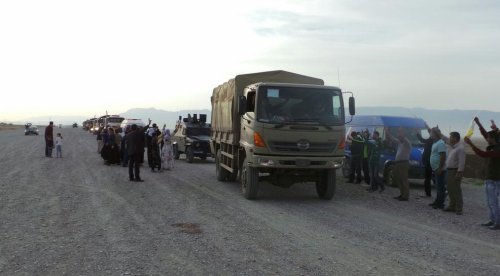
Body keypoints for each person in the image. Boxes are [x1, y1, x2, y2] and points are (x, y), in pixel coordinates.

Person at [464, 117, 500, 230]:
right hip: (490, 178)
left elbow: (483, 154)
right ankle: (492, 220)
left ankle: (497, 223)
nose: (487, 138)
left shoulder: (497, 150)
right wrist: (479, 123)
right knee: (490, 202)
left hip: (495, 179)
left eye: (489, 137)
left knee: (494, 202)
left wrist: (471, 144)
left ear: (494, 139)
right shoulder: (494, 145)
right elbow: (486, 134)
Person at [438, 130, 466, 215]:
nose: (449, 139)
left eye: (451, 137)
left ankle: (459, 208)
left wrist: (459, 172)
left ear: (455, 138)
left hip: (455, 171)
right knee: (450, 189)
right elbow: (444, 139)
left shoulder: (460, 148)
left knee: (456, 190)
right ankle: (452, 205)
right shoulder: (453, 146)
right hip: (449, 171)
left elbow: (462, 162)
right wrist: (439, 132)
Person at [385, 127, 412, 201]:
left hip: (403, 163)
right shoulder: (400, 142)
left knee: (404, 179)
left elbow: (402, 137)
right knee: (398, 179)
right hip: (398, 163)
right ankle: (402, 194)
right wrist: (387, 132)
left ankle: (406, 196)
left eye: (399, 134)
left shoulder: (407, 142)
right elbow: (393, 139)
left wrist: (401, 131)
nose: (398, 136)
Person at [429, 127, 447, 209]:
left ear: (435, 134)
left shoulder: (441, 143)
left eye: (432, 133)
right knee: (438, 186)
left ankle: (440, 203)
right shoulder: (435, 143)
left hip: (439, 169)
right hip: (435, 168)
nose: (430, 135)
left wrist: (440, 168)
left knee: (440, 186)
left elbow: (443, 156)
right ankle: (437, 201)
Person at [416, 123, 433, 197]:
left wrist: (427, 126)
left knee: (427, 179)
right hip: (427, 161)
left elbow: (423, 139)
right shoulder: (430, 140)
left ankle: (428, 193)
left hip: (429, 162)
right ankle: (427, 193)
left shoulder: (432, 140)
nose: (430, 133)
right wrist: (417, 133)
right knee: (427, 178)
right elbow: (422, 139)